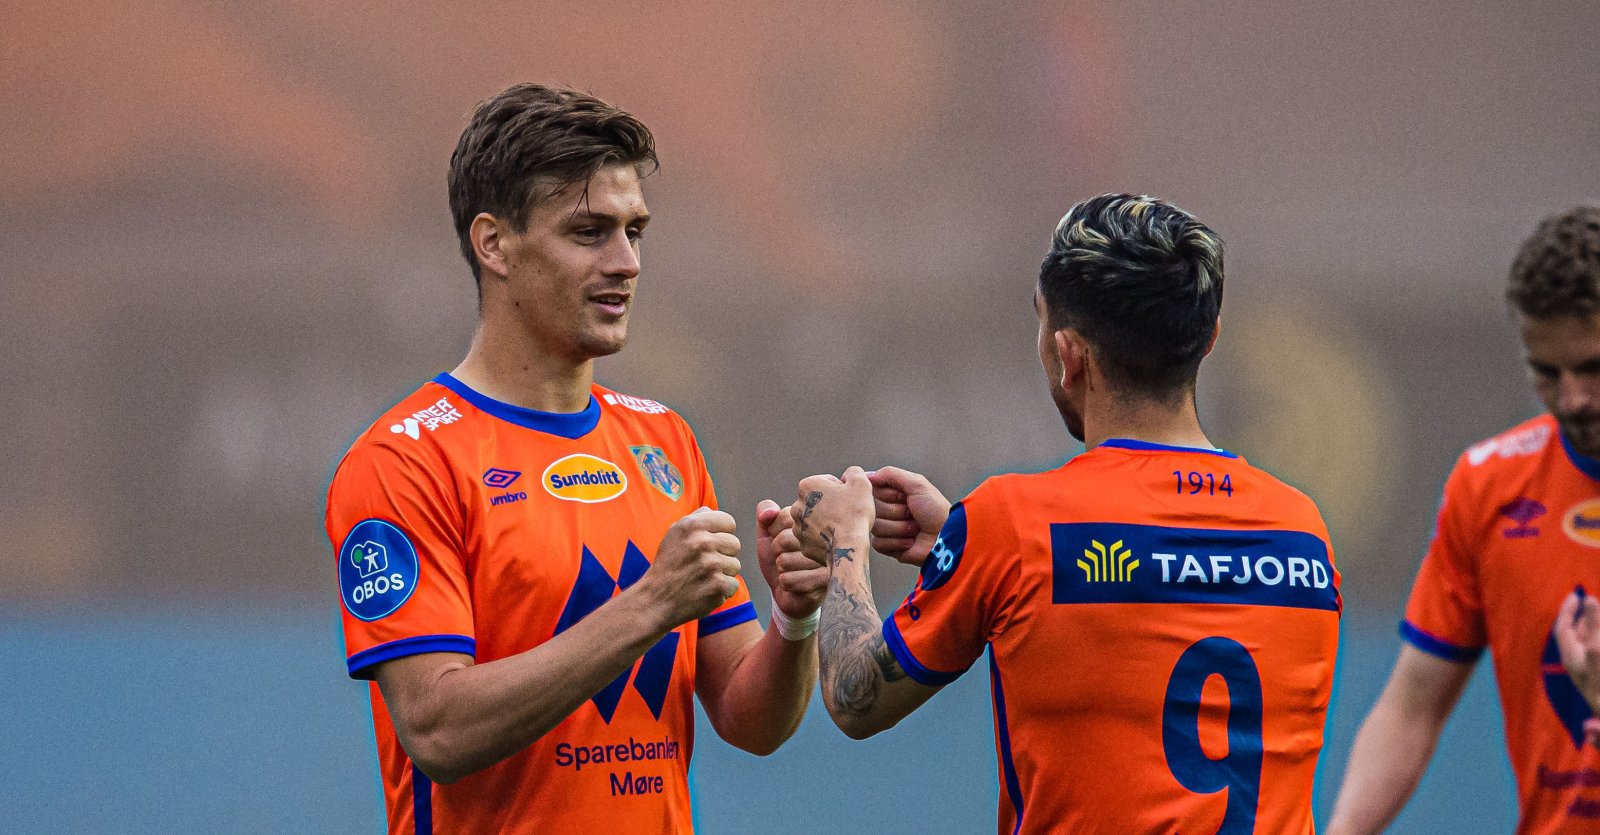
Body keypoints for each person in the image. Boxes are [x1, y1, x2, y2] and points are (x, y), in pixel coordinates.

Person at [323, 83, 827, 834]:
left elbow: (748, 719)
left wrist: (793, 616)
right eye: (589, 232)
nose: (626, 262)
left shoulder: (665, 440)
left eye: (635, 232)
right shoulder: (405, 461)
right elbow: (437, 730)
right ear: (494, 244)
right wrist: (650, 605)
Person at [781, 193, 1342, 833]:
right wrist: (964, 553)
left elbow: (856, 698)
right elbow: (1166, 583)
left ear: (1069, 354)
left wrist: (845, 543)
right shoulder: (1303, 530)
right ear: (1208, 340)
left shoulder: (1014, 525)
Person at [1329, 206, 1600, 834]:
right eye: (1547, 372)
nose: (1574, 399)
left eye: (1594, 368)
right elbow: (1413, 706)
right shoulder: (1491, 485)